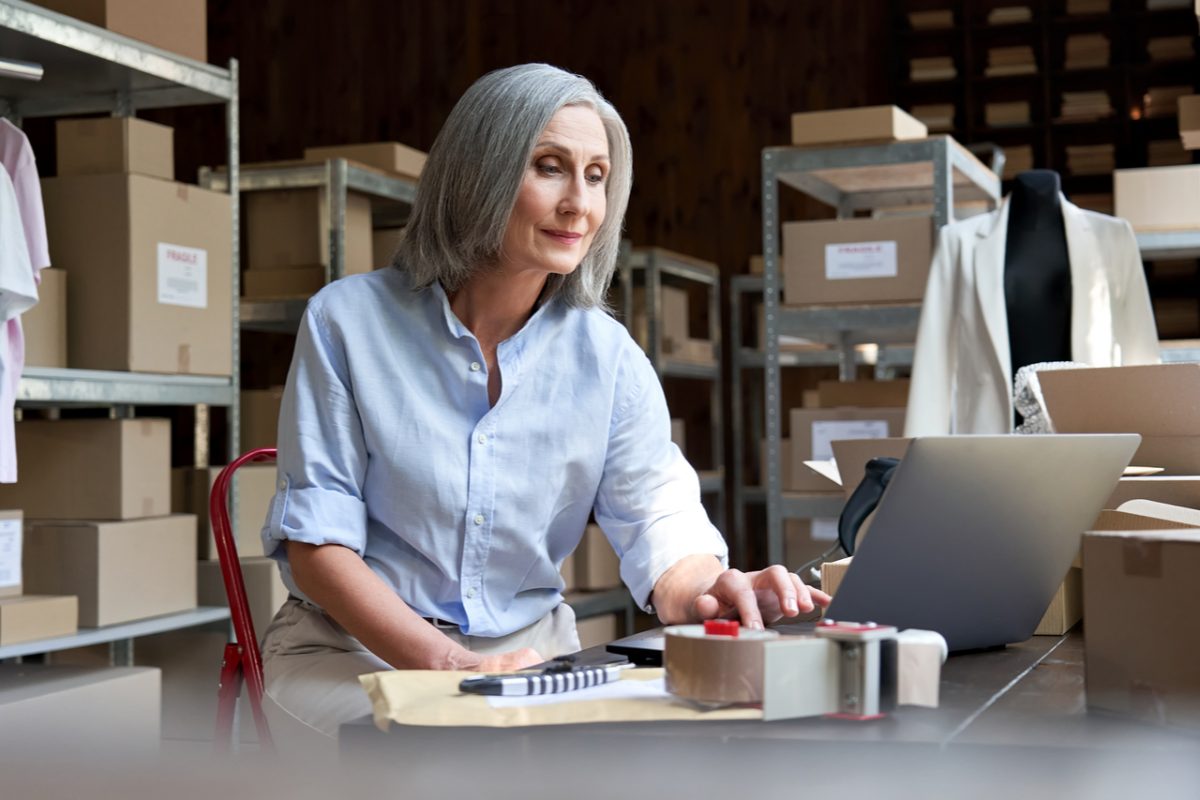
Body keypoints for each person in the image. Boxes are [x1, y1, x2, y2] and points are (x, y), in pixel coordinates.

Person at [259, 63, 830, 738]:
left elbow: (657, 514)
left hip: (533, 658)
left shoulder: (609, 359)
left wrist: (709, 590)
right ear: (480, 172)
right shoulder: (347, 322)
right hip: (350, 653)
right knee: (435, 765)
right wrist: (455, 667)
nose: (580, 205)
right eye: (550, 167)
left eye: (596, 176)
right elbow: (317, 552)